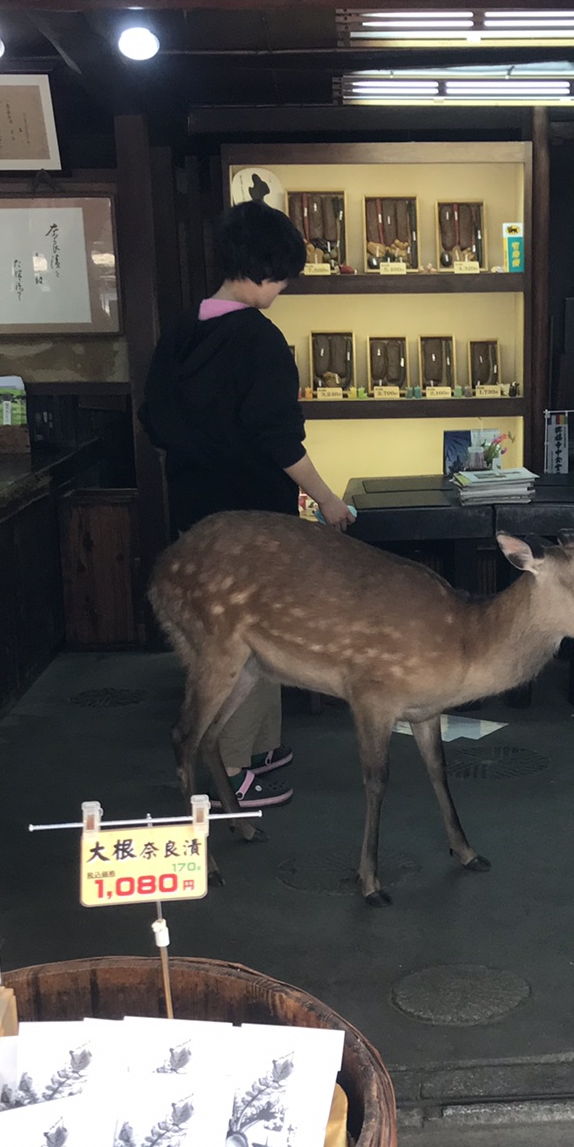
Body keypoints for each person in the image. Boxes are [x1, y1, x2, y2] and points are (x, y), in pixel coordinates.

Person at [141, 201, 351, 811]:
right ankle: (236, 769)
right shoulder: (257, 338)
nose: (282, 289)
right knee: (252, 644)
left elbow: (154, 421)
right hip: (256, 524)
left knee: (231, 635)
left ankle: (258, 750)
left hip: (198, 519)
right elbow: (277, 438)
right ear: (263, 270)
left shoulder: (183, 331)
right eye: (283, 277)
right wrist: (329, 500)